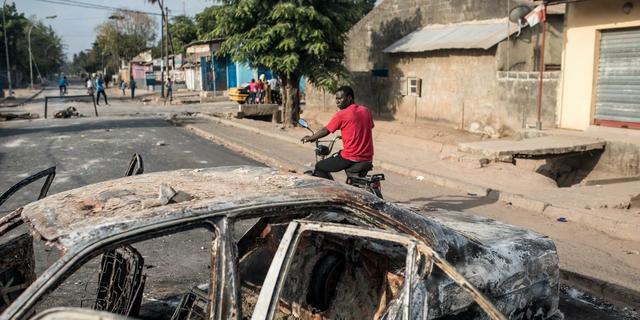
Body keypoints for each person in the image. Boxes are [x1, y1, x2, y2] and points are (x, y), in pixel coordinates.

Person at [301, 86, 374, 180]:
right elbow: (367, 127)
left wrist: (311, 138)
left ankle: (332, 192)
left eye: (340, 98)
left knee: (320, 166)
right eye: (336, 99)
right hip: (367, 158)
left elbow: (326, 130)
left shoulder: (342, 114)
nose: (337, 101)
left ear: (349, 98)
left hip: (351, 157)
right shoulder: (366, 111)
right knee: (340, 154)